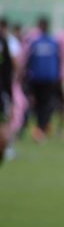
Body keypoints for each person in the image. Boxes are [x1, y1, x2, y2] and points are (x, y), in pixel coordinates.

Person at [25, 17, 61, 142]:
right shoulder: (53, 42)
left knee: (37, 103)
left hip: (36, 78)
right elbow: (58, 60)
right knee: (45, 104)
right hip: (49, 78)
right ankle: (42, 126)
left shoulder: (34, 42)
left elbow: (28, 60)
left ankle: (39, 127)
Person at [0, 31, 14, 163]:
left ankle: (6, 147)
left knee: (4, 123)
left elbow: (7, 69)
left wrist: (10, 94)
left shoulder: (3, 41)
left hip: (2, 92)